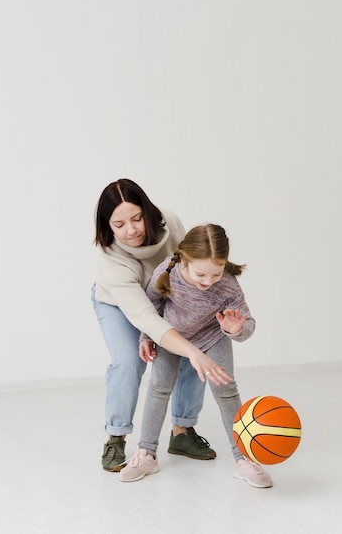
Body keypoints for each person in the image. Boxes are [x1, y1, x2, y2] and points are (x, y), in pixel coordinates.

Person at [92, 180, 232, 472]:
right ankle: (116, 437)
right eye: (119, 224)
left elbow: (189, 264)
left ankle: (182, 432)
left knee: (195, 353)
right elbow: (145, 317)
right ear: (108, 226)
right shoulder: (110, 257)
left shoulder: (170, 223)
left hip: (167, 298)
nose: (130, 230)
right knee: (128, 362)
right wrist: (181, 345)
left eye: (136, 218)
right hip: (120, 305)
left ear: (147, 210)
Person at [119, 223, 273, 488]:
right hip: (171, 336)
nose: (208, 281)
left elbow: (248, 325)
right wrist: (146, 337)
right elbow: (150, 307)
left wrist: (234, 329)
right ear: (185, 260)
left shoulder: (228, 285)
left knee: (226, 389)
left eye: (216, 273)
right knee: (159, 388)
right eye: (201, 273)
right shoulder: (167, 271)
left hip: (212, 336)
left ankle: (243, 458)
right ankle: (146, 453)